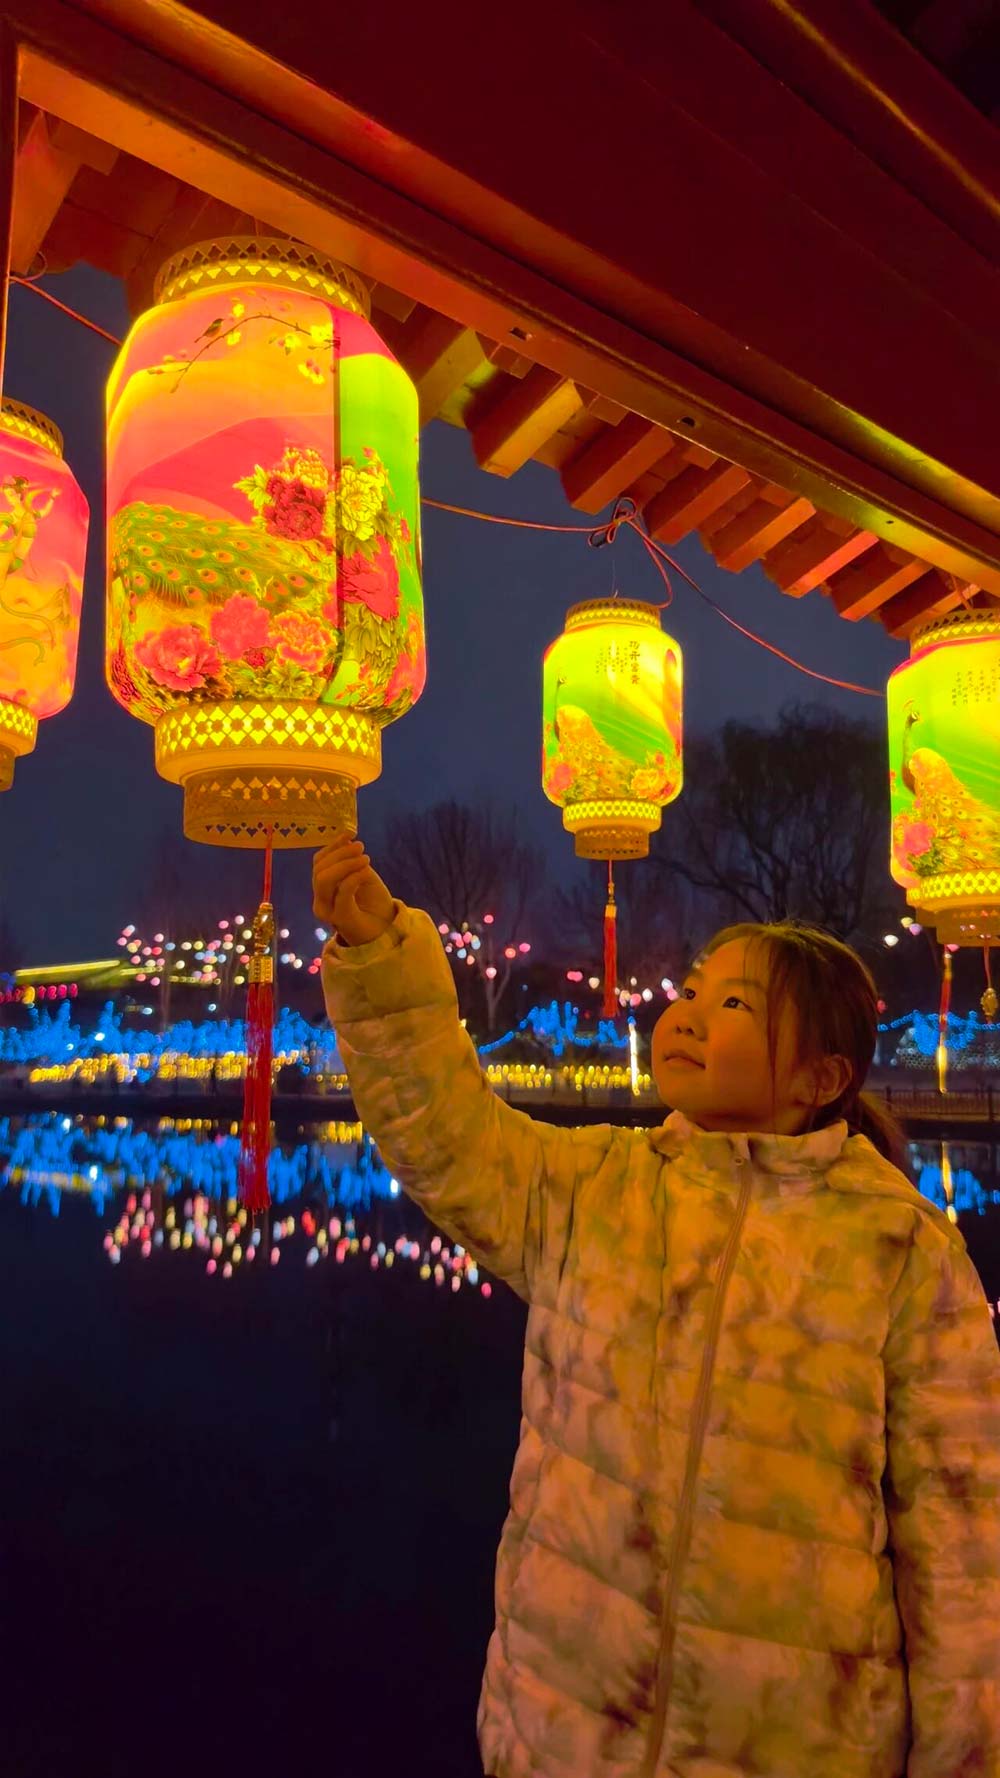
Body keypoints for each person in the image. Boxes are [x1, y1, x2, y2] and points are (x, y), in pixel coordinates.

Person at [314, 834, 1000, 1778]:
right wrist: (382, 957)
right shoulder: (597, 1187)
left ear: (820, 1078)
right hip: (565, 1726)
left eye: (732, 1004)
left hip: (799, 1744)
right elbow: (448, 1132)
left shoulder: (904, 1251)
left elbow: (962, 1545)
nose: (686, 1015)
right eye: (690, 992)